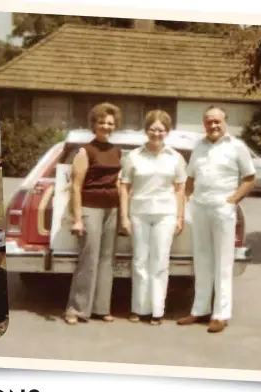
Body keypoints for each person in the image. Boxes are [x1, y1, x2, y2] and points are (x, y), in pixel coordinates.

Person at [177, 106, 256, 333]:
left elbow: (249, 178)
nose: (213, 126)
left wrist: (232, 200)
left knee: (223, 262)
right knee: (201, 259)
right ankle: (199, 310)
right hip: (200, 208)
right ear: (204, 124)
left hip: (223, 208)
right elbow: (190, 177)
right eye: (209, 122)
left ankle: (221, 314)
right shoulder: (199, 147)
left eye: (217, 122)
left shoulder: (236, 147)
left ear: (225, 122)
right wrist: (189, 199)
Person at [119, 110, 187, 325]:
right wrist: (124, 217)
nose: (156, 133)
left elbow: (179, 189)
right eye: (152, 129)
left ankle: (157, 310)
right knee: (139, 261)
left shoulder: (175, 157)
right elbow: (124, 187)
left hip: (165, 215)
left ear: (167, 131)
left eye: (161, 129)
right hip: (139, 213)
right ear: (146, 130)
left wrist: (179, 217)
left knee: (159, 262)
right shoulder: (133, 156)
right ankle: (138, 308)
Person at [63, 102, 122, 325]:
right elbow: (76, 187)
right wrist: (78, 218)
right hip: (90, 208)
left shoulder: (116, 150)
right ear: (94, 124)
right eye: (102, 122)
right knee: (88, 259)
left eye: (110, 123)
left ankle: (100, 308)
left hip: (111, 209)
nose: (106, 126)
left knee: (107, 260)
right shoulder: (84, 151)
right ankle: (75, 309)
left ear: (114, 125)